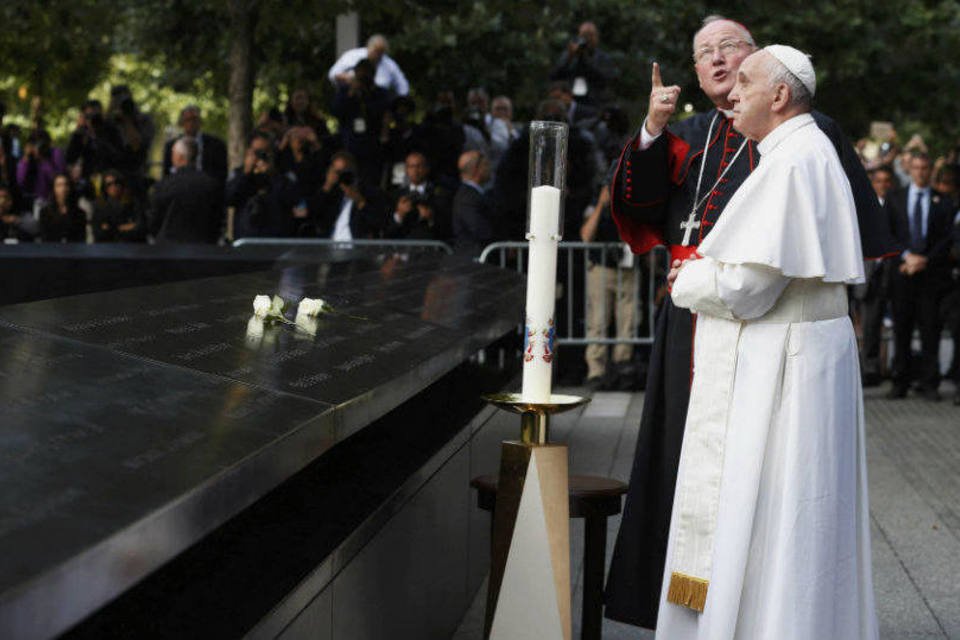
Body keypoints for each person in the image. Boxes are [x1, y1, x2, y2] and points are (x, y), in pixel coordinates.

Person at [603, 16, 896, 630]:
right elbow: (639, 207)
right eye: (702, 52)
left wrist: (692, 278)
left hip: (748, 327)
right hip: (706, 327)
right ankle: (698, 602)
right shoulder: (688, 135)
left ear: (766, 73)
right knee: (691, 463)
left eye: (728, 50)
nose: (717, 64)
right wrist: (652, 130)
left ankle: (736, 609)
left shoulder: (795, 148)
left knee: (757, 483)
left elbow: (758, 276)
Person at [660, 45, 877, 639]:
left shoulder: (792, 162)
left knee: (779, 512)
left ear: (779, 96)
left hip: (788, 363)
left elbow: (748, 289)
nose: (731, 94)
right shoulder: (800, 151)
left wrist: (690, 277)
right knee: (799, 514)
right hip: (805, 353)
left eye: (746, 83)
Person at [886, 152, 957, 401]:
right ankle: (900, 381)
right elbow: (889, 234)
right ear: (910, 170)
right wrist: (905, 257)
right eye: (916, 168)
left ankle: (929, 383)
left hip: (931, 277)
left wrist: (924, 259)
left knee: (930, 330)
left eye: (925, 168)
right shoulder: (895, 199)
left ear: (930, 171)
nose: (920, 172)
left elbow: (947, 238)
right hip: (903, 274)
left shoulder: (944, 202)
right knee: (901, 330)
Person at [581, 180, 638, 390]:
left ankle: (623, 364)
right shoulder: (597, 202)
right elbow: (586, 235)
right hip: (601, 267)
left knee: (628, 320)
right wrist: (601, 205)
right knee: (598, 319)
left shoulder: (633, 201)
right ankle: (596, 370)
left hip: (628, 267)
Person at [227, 133, 303, 239]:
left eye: (265, 151)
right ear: (249, 152)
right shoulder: (238, 173)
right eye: (257, 152)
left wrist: (273, 175)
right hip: (246, 239)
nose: (261, 156)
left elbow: (294, 200)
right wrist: (246, 173)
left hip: (276, 239)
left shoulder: (284, 175)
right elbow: (229, 199)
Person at [149, 137, 224, 243]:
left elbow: (154, 222)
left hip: (168, 248)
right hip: (203, 249)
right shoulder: (211, 185)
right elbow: (217, 220)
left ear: (179, 157)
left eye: (173, 154)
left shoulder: (163, 185)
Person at [331, 58, 390, 188]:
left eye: (367, 73)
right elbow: (336, 111)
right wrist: (351, 93)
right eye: (360, 73)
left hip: (371, 148)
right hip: (350, 145)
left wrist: (366, 95)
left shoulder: (381, 93)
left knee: (369, 183)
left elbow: (381, 113)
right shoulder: (345, 91)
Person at [309, 151, 387, 240]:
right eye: (336, 172)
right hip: (330, 246)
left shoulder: (369, 192)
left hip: (356, 248)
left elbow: (379, 222)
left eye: (343, 172)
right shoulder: (333, 194)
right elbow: (313, 214)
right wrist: (327, 186)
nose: (340, 176)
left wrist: (360, 202)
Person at [385, 151, 451, 240]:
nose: (415, 171)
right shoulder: (395, 195)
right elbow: (387, 231)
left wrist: (431, 219)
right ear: (406, 170)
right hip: (403, 248)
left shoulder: (439, 194)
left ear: (427, 169)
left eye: (419, 166)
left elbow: (448, 228)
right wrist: (400, 215)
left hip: (430, 247)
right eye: (411, 166)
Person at [549, 21, 616, 106]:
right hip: (571, 100)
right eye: (584, 35)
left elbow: (605, 79)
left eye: (590, 35)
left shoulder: (603, 58)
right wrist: (570, 57)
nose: (588, 39)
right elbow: (554, 76)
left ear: (597, 37)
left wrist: (584, 59)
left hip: (594, 102)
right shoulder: (569, 55)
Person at [162, 106, 228, 186]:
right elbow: (166, 175)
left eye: (194, 119)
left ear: (200, 121)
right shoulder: (171, 146)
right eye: (188, 120)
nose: (191, 123)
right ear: (182, 122)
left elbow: (222, 174)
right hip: (179, 189)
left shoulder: (217, 145)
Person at [327, 34, 409, 97]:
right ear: (368, 46)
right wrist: (349, 78)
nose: (377, 55)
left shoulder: (390, 64)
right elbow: (333, 74)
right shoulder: (353, 56)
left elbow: (403, 86)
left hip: (378, 101)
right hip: (352, 96)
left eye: (380, 52)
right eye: (375, 51)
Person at [451, 150, 493, 254]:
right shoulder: (467, 197)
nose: (490, 169)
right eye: (486, 165)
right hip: (473, 259)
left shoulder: (473, 194)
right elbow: (479, 229)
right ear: (476, 169)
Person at [92, 170, 146, 242]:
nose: (113, 186)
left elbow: (140, 227)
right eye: (109, 184)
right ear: (105, 187)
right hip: (106, 247)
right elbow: (99, 232)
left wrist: (113, 228)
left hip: (130, 246)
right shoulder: (100, 205)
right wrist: (125, 227)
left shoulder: (132, 203)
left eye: (116, 182)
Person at [16, 129, 66, 206]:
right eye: (34, 144)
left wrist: (43, 159)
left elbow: (57, 179)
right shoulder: (28, 158)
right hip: (30, 199)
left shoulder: (55, 153)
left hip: (50, 199)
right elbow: (20, 182)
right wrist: (26, 159)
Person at [38, 174, 86, 243]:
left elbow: (81, 239)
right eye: (59, 185)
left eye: (66, 185)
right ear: (54, 189)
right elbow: (45, 239)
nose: (63, 189)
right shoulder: (45, 213)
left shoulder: (80, 214)